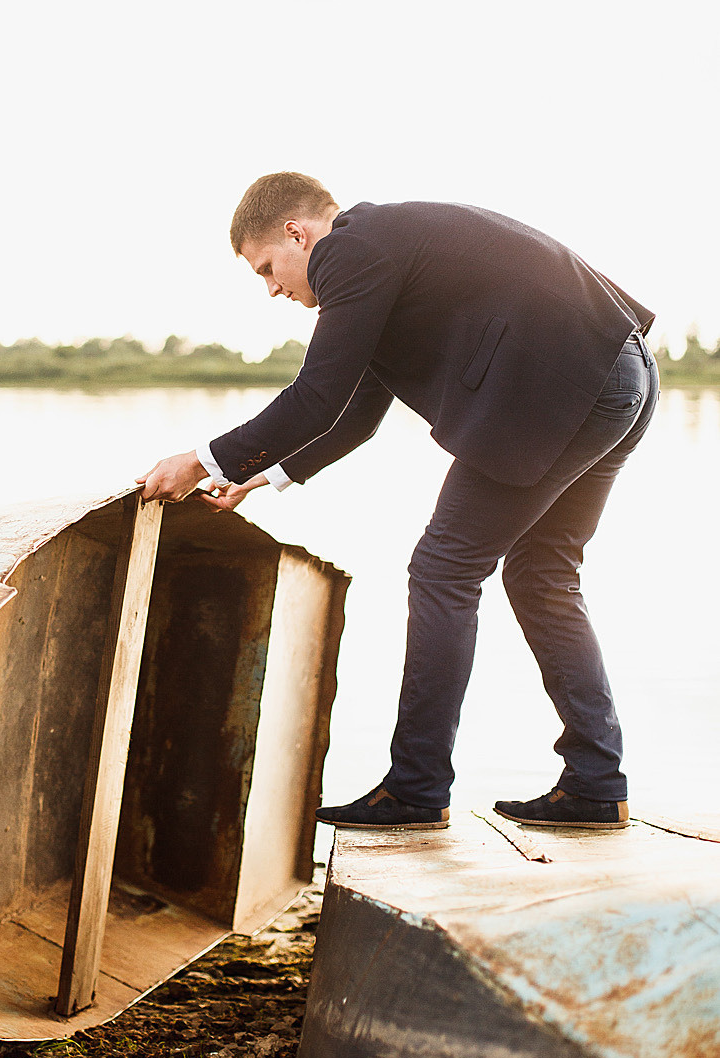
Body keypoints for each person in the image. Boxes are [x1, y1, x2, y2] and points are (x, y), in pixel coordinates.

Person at [137, 171, 658, 833]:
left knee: (443, 569)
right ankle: (594, 784)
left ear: (298, 233)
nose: (271, 289)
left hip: (558, 384)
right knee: (541, 575)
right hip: (619, 375)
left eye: (267, 267)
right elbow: (353, 413)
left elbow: (313, 397)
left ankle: (415, 788)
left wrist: (201, 459)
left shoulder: (351, 249)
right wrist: (260, 476)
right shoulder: (385, 258)